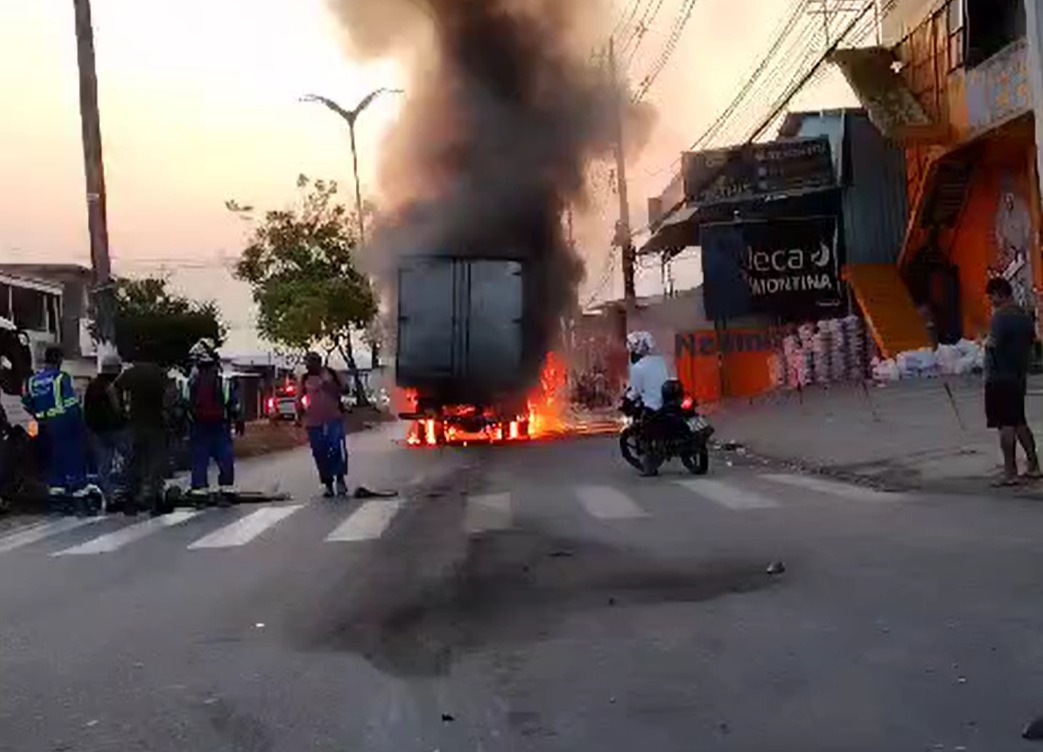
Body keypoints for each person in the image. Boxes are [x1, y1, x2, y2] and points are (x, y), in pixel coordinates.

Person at [22, 346, 96, 512]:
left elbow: (27, 403)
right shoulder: (61, 377)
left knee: (52, 456)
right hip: (64, 421)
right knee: (72, 454)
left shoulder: (32, 381)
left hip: (43, 424)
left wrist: (39, 415)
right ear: (59, 360)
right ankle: (78, 490)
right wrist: (80, 422)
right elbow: (70, 403)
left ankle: (56, 490)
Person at [984, 276, 1040, 486]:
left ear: (1000, 294)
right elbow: (1032, 342)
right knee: (1019, 421)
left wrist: (985, 343)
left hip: (999, 376)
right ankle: (1034, 465)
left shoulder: (1000, 317)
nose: (991, 301)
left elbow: (993, 344)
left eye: (991, 297)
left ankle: (1010, 472)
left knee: (1005, 424)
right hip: (1018, 376)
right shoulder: (1024, 317)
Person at [116, 359, 175, 515]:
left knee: (134, 462)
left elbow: (114, 389)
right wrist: (166, 411)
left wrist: (121, 410)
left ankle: (131, 500)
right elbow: (171, 392)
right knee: (155, 462)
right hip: (156, 424)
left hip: (135, 425)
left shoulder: (131, 373)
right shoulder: (158, 374)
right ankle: (154, 499)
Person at [183, 339, 239, 506]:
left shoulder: (190, 381)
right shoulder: (224, 380)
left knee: (199, 457)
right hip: (220, 424)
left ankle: (199, 491)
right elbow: (233, 404)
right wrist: (237, 419)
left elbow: (184, 403)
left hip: (198, 424)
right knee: (225, 455)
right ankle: (226, 490)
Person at [299, 351, 348, 497]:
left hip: (333, 419)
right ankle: (328, 484)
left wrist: (328, 383)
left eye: (310, 363)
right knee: (319, 452)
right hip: (313, 422)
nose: (308, 366)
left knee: (335, 449)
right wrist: (299, 416)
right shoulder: (305, 378)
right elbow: (299, 398)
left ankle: (340, 479)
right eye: (306, 363)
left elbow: (345, 390)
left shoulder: (332, 374)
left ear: (318, 363)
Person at [84, 354, 129, 508]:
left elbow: (86, 409)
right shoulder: (112, 385)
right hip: (115, 430)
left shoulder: (92, 385)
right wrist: (124, 420)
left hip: (97, 431)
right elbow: (117, 408)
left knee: (103, 465)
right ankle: (128, 490)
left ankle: (109, 496)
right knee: (131, 456)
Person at [624, 331, 671, 477]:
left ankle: (649, 466)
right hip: (668, 403)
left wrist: (626, 400)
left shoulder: (638, 367)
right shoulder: (661, 361)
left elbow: (635, 391)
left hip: (652, 406)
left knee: (643, 430)